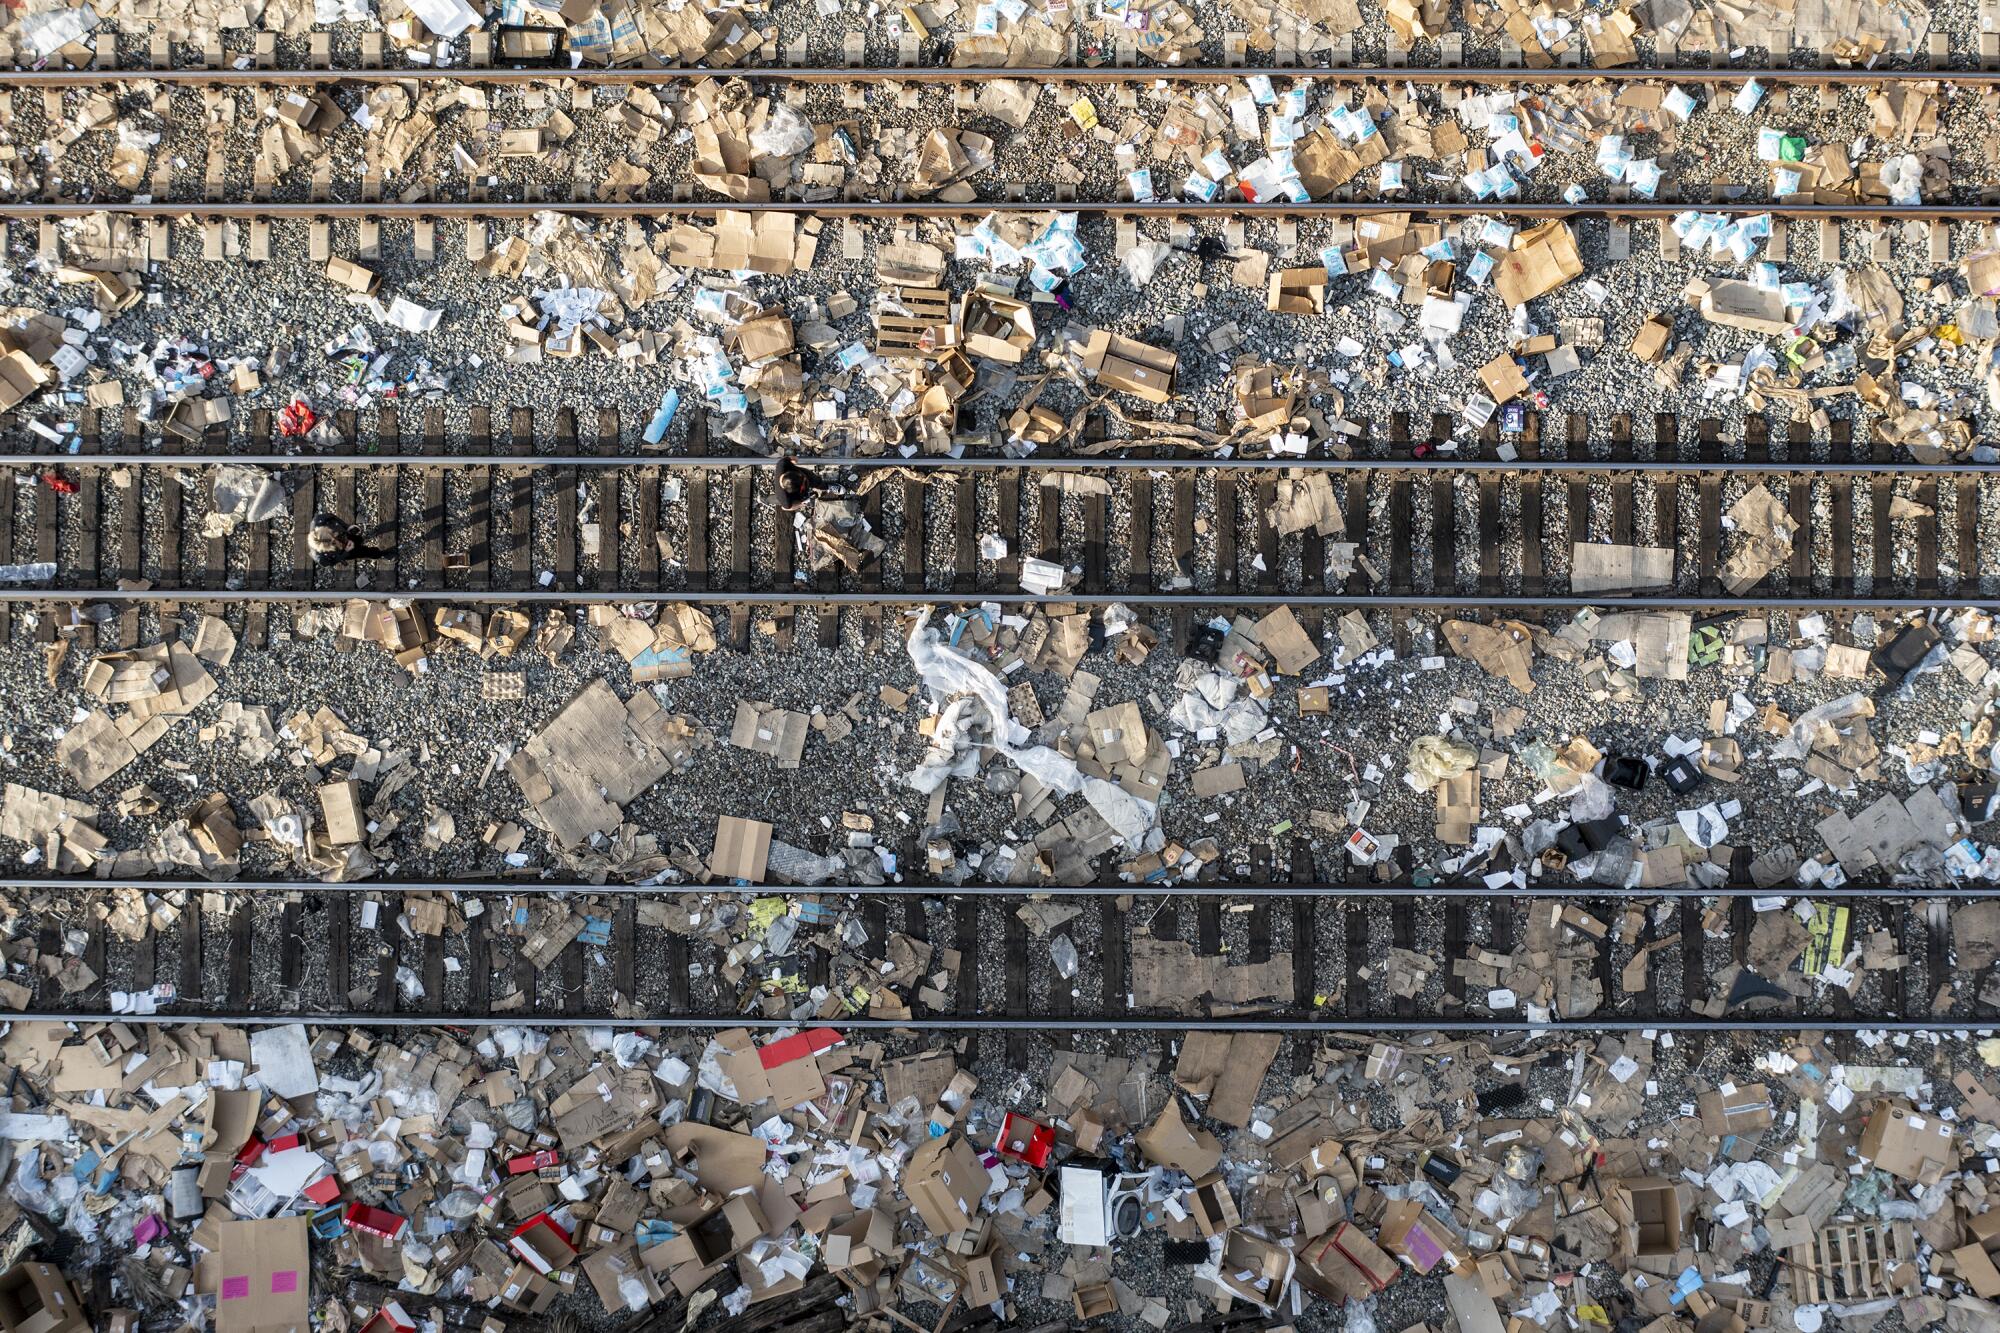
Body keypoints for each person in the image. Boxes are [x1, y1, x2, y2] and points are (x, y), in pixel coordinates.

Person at [308, 513, 389, 566]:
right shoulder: (321, 558)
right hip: (344, 551)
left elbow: (333, 517)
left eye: (332, 533)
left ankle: (362, 539)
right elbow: (334, 561)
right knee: (363, 552)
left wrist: (347, 526)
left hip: (345, 534)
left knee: (357, 537)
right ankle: (380, 554)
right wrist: (346, 552)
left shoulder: (319, 520)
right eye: (333, 543)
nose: (335, 535)